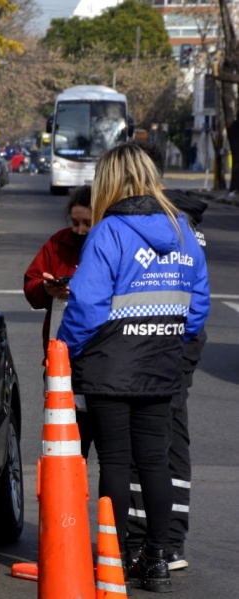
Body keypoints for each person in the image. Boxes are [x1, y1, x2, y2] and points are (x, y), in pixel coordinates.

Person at [57, 141, 209, 593]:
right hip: (161, 362)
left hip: (109, 365)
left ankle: (115, 555)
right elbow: (197, 308)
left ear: (110, 181)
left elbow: (85, 304)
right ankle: (157, 558)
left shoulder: (109, 231)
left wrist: (64, 349)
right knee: (155, 462)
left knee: (116, 464)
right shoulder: (182, 230)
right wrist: (169, 340)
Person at [125, 142, 210, 573]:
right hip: (177, 340)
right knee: (167, 440)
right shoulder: (183, 224)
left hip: (161, 343)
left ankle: (160, 541)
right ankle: (164, 539)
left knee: (158, 445)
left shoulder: (166, 224)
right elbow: (198, 302)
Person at [23, 185, 94, 458]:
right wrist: (46, 288)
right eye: (75, 222)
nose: (79, 230)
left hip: (101, 362)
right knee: (67, 447)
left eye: (87, 223)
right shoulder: (57, 243)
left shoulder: (110, 244)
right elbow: (31, 286)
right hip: (60, 361)